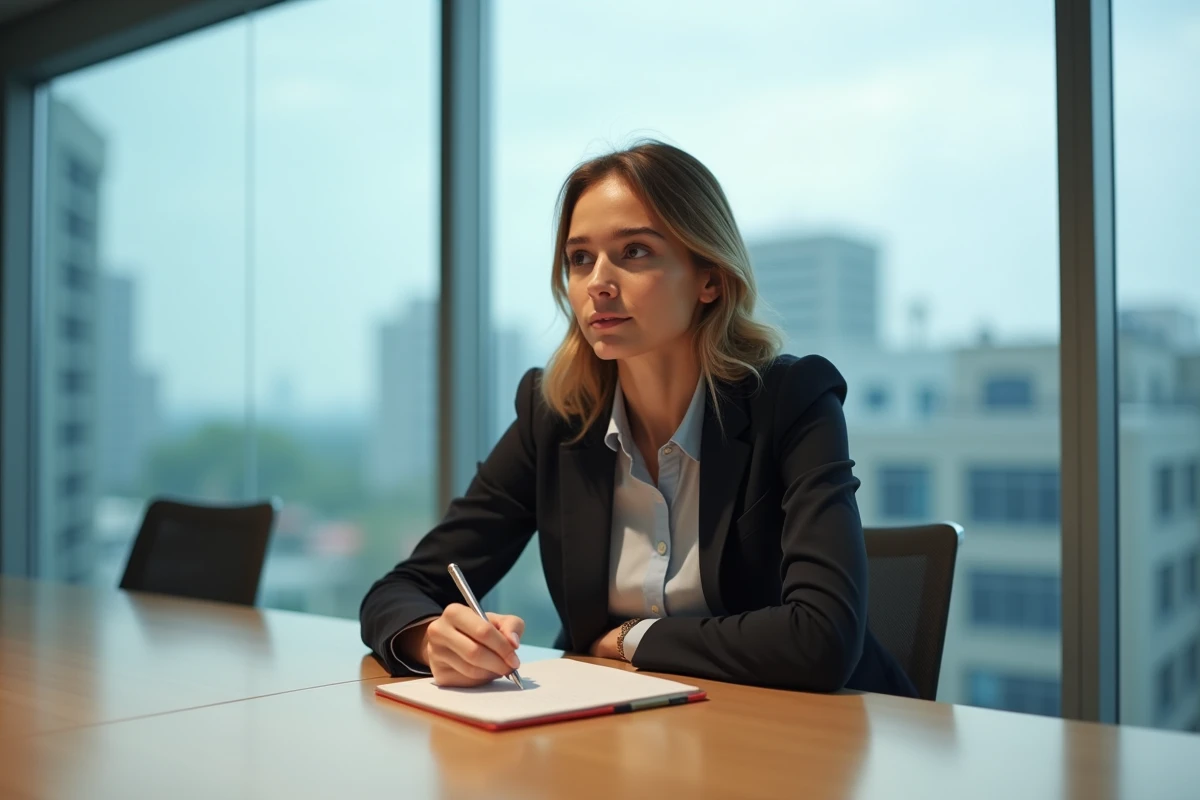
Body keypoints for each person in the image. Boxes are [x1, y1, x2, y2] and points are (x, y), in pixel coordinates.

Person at [360, 140, 917, 697]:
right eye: (580, 258)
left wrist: (634, 638)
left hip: (819, 731)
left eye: (634, 251)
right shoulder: (555, 417)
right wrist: (432, 639)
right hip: (624, 728)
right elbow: (399, 591)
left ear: (710, 278)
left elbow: (821, 639)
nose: (598, 283)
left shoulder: (793, 400)